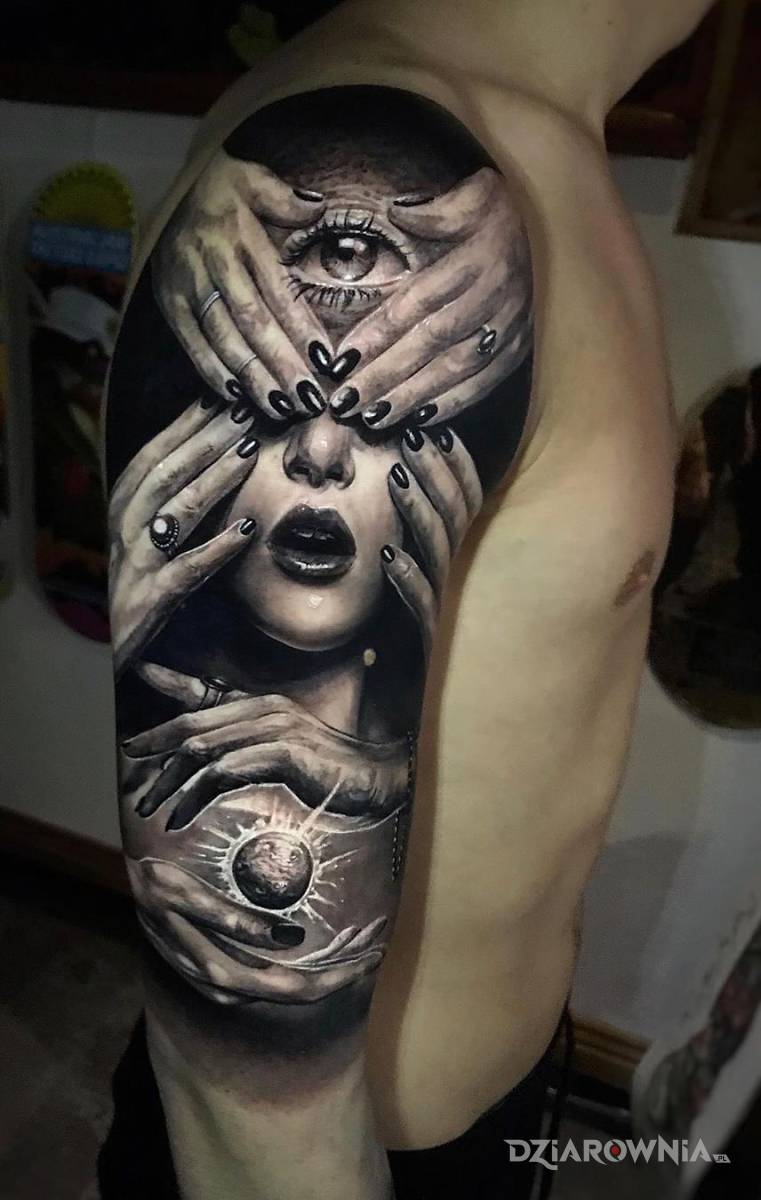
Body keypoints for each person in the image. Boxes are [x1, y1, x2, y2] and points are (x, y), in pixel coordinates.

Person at [98, 2, 714, 1197]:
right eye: (287, 402)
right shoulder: (406, 136)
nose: (325, 452)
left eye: (380, 409)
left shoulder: (513, 151)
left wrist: (361, 775)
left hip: (497, 1088)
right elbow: (244, 1100)